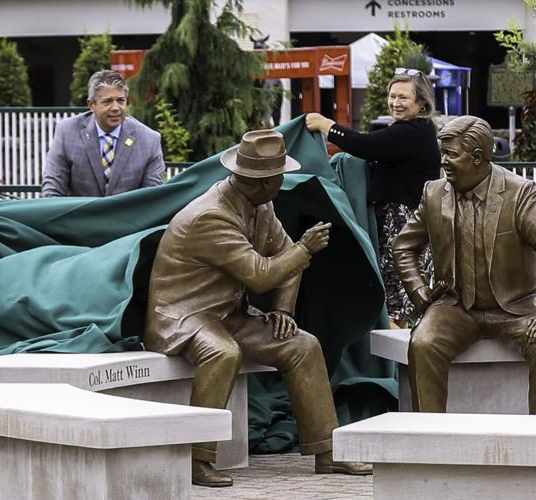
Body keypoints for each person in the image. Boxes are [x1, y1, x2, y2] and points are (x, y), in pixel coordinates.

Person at [143, 129, 372, 487]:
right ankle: (196, 458)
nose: (284, 180)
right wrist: (305, 249)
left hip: (227, 313)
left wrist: (283, 310)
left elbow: (284, 259)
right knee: (222, 353)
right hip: (183, 314)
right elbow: (261, 275)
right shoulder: (211, 215)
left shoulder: (259, 205)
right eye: (280, 174)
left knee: (302, 345)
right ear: (263, 181)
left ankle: (328, 452)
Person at [393, 115, 536, 415]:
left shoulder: (519, 193)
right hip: (455, 308)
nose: (444, 162)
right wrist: (419, 292)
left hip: (517, 307)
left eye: (451, 154)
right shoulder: (434, 193)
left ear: (477, 157)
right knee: (422, 343)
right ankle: (431, 441)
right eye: (443, 153)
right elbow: (403, 245)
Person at [305, 68, 440, 328]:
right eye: (392, 96)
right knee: (395, 301)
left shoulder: (414, 133)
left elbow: (366, 146)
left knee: (397, 304)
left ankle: (395, 366)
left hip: (405, 230)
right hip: (399, 227)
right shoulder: (412, 131)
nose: (395, 103)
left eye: (403, 98)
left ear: (421, 104)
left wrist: (326, 125)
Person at [42, 70, 165, 197]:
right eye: (108, 101)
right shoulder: (67, 132)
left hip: (129, 216)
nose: (116, 108)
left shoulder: (150, 140)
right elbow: (53, 190)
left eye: (121, 100)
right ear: (91, 104)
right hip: (80, 215)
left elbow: (152, 197)